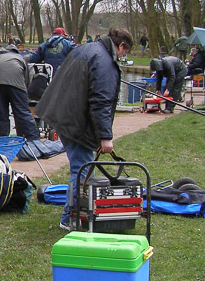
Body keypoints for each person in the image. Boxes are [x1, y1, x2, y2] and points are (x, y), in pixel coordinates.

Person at [35, 28, 133, 230]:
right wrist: (105, 137)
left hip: (61, 114)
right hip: (74, 120)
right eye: (125, 52)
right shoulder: (105, 61)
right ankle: (70, 218)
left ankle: (74, 214)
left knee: (80, 167)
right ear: (121, 45)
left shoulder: (88, 49)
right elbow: (101, 101)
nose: (123, 57)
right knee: (81, 169)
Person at [0, 43, 40, 141]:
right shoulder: (21, 59)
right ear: (16, 51)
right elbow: (26, 79)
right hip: (17, 86)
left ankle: (0, 142)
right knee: (23, 113)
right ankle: (31, 141)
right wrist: (24, 92)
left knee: (0, 115)